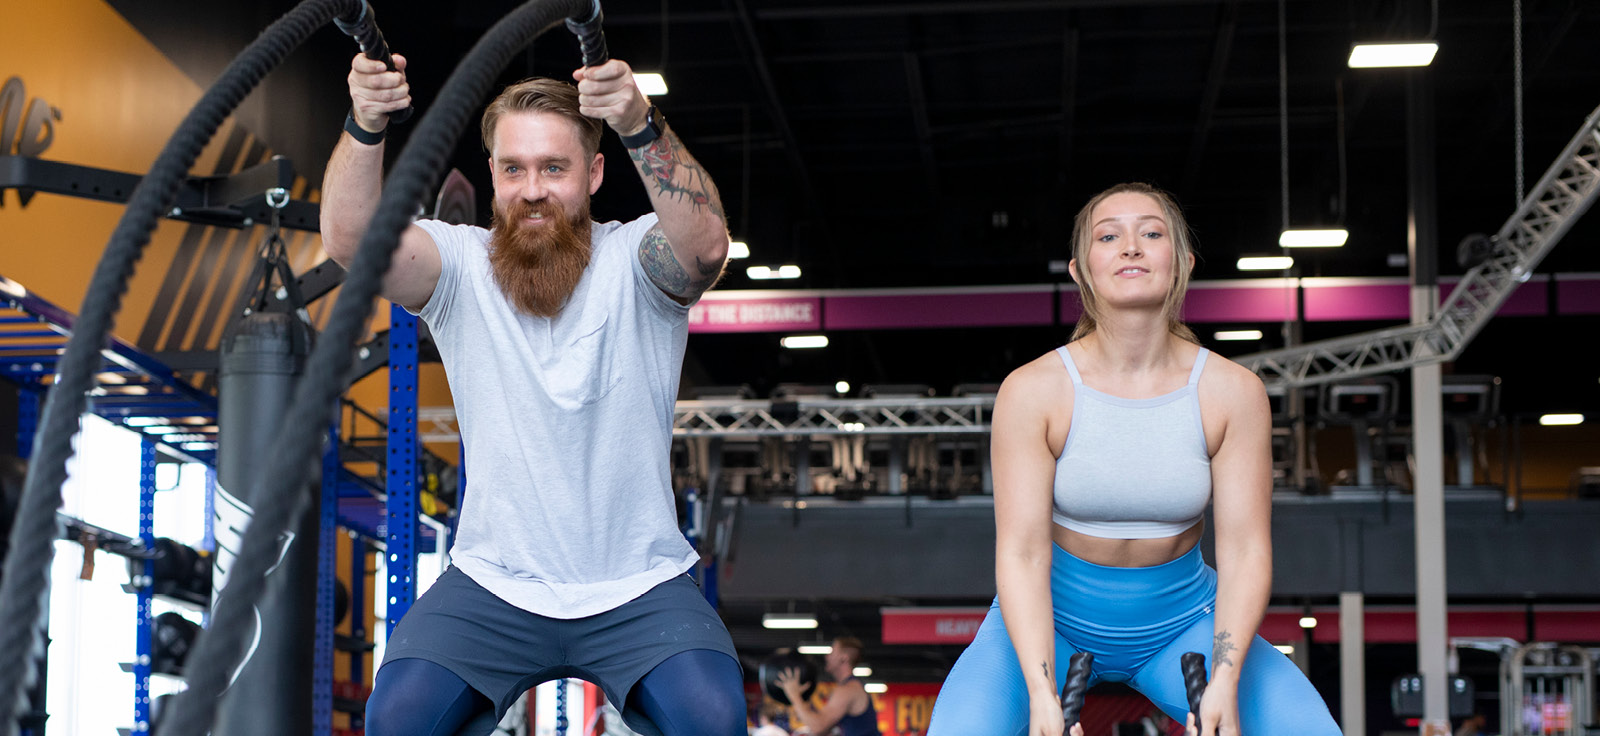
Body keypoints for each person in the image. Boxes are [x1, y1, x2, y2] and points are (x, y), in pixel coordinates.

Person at [321, 48, 742, 736]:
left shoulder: (636, 262)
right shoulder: (458, 266)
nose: (533, 189)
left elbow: (704, 248)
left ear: (595, 172)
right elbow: (349, 242)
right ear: (492, 174)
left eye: (554, 168)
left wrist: (638, 120)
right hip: (494, 583)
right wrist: (367, 120)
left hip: (637, 585)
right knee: (396, 718)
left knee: (714, 719)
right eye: (514, 169)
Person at [924, 182, 1340, 736]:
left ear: (1183, 263)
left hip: (1183, 623)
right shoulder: (1033, 390)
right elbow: (1021, 553)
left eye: (1151, 232)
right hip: (1053, 620)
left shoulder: (1231, 391)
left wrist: (1224, 677)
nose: (1131, 247)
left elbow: (1244, 550)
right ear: (1080, 270)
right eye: (1108, 235)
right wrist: (1043, 694)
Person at [775, 637, 881, 736]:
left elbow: (818, 726)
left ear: (844, 658)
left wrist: (794, 695)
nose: (827, 656)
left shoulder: (848, 690)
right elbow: (822, 729)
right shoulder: (849, 687)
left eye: (832, 652)